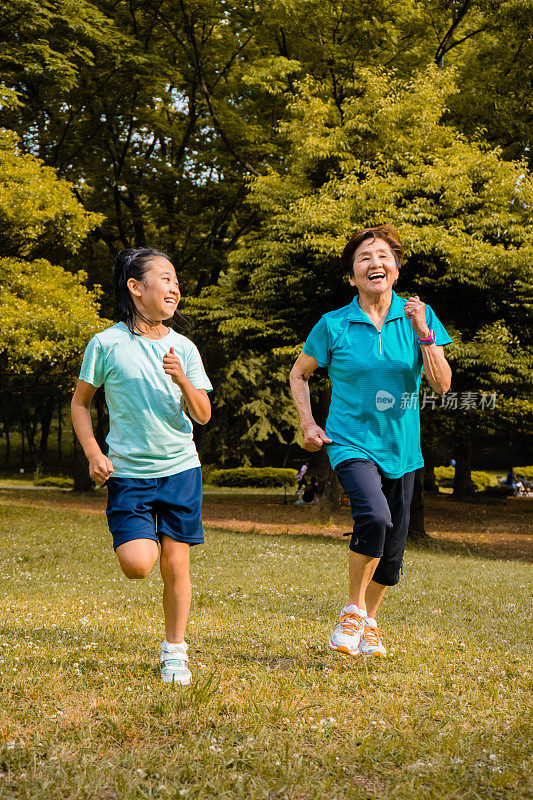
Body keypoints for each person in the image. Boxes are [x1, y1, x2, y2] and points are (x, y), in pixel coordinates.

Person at [290, 225, 452, 658]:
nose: (374, 263)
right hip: (350, 443)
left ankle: (369, 620)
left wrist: (424, 333)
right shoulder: (333, 324)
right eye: (364, 258)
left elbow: (441, 385)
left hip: (403, 449)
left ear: (395, 269)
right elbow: (299, 374)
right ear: (352, 276)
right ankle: (351, 610)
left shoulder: (421, 316)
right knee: (375, 518)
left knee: (393, 556)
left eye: (382, 256)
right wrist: (308, 424)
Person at [71, 247, 212, 685]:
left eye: (175, 280)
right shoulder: (106, 344)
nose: (174, 287)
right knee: (137, 564)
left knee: (177, 564)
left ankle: (175, 651)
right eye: (165, 278)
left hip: (180, 468)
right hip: (130, 473)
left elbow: (203, 414)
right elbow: (79, 404)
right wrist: (95, 453)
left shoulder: (183, 348)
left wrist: (182, 379)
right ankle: (140, 537)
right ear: (135, 288)